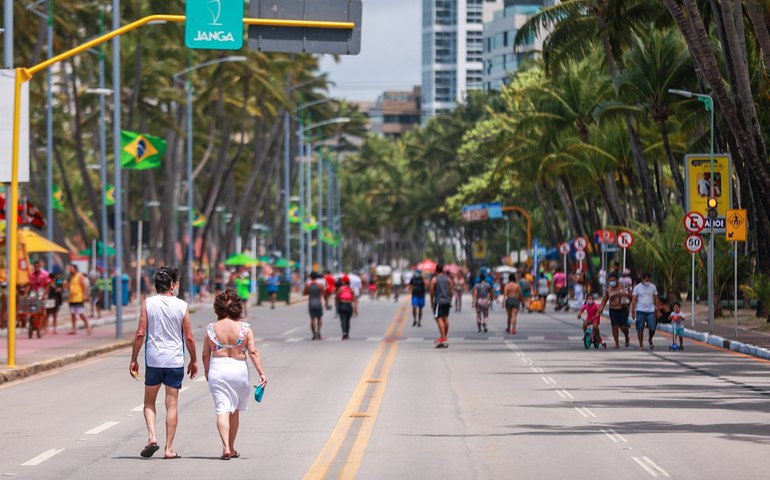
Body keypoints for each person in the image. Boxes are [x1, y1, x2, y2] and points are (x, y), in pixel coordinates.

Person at [129, 266, 198, 460]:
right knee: (172, 403)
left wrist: (134, 359)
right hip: (175, 360)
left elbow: (140, 333)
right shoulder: (182, 306)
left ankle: (152, 437)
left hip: (153, 359)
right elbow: (189, 336)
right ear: (172, 285)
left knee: (149, 401)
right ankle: (168, 449)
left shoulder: (148, 303)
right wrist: (193, 360)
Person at [202, 288, 267, 460]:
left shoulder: (211, 329)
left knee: (221, 409)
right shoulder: (245, 329)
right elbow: (253, 352)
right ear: (238, 308)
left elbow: (205, 354)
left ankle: (225, 447)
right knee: (235, 411)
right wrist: (262, 373)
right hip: (238, 370)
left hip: (218, 368)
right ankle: (231, 447)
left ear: (218, 309)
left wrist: (207, 371)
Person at [599, 273, 632, 348]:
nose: (612, 282)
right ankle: (616, 343)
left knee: (623, 326)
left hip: (623, 308)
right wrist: (601, 308)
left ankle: (626, 336)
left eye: (613, 280)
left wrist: (624, 294)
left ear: (617, 280)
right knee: (615, 326)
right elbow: (605, 299)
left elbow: (631, 296)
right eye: (610, 281)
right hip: (613, 309)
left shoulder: (624, 287)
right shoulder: (608, 289)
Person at [631, 272, 659, 350]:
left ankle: (650, 339)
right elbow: (633, 299)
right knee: (640, 328)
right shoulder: (637, 287)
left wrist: (657, 308)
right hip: (640, 310)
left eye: (648, 279)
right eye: (645, 279)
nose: (647, 280)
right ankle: (641, 345)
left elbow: (656, 298)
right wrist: (633, 311)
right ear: (642, 279)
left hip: (650, 310)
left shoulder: (652, 286)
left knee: (652, 327)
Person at [430, 264, 453, 348]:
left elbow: (432, 292)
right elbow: (451, 291)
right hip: (447, 301)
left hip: (439, 302)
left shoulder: (434, 280)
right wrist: (450, 300)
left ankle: (443, 338)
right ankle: (444, 338)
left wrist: (432, 302)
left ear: (436, 270)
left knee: (439, 318)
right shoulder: (448, 279)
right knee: (445, 318)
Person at [66, 264, 92, 335]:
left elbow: (85, 286)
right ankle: (74, 329)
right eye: (70, 269)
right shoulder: (71, 277)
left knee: (81, 314)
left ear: (75, 269)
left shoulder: (79, 276)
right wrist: (66, 285)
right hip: (72, 298)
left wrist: (85, 295)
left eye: (72, 268)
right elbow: (70, 287)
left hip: (78, 298)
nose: (70, 270)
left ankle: (88, 327)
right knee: (73, 315)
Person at [335, 275, 358, 339]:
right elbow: (354, 300)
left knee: (343, 320)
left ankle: (344, 333)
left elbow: (337, 298)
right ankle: (347, 333)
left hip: (342, 305)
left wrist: (337, 306)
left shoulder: (340, 289)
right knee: (348, 321)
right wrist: (355, 310)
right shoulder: (351, 290)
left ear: (344, 282)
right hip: (349, 305)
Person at [304, 272, 325, 340]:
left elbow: (304, 293)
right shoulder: (320, 285)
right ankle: (319, 331)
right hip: (318, 303)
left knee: (312, 319)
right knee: (319, 318)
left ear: (311, 277)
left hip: (311, 303)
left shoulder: (308, 284)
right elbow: (323, 293)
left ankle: (314, 334)